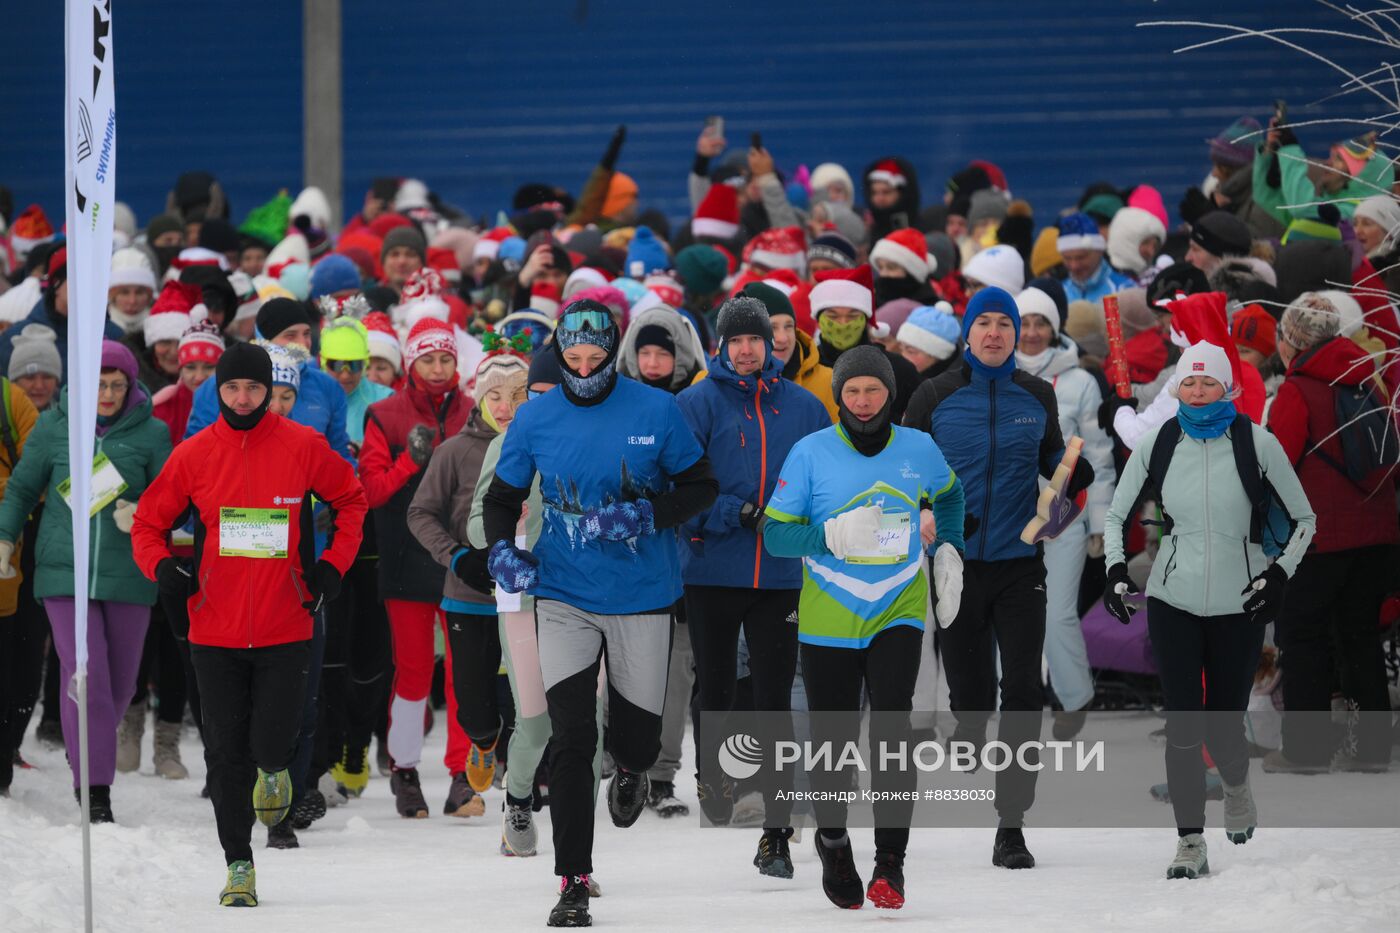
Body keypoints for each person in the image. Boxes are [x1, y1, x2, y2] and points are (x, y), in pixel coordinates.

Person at [477, 299, 718, 927]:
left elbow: (701, 486)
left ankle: (636, 769)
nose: (584, 370)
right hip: (562, 593)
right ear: (560, 354)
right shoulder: (536, 418)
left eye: (596, 358)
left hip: (642, 592)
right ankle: (573, 880)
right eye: (573, 359)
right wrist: (502, 550)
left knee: (635, 738)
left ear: (614, 353)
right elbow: (503, 497)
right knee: (574, 737)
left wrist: (645, 514)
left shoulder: (656, 409)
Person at [132, 341, 366, 906]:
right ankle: (239, 863)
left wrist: (333, 567)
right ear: (218, 390)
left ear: (270, 391)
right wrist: (163, 569)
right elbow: (146, 523)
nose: (243, 398)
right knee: (223, 753)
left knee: (272, 745)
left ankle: (274, 769)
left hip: (288, 626)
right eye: (232, 387)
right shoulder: (193, 454)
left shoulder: (302, 445)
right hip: (214, 628)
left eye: (254, 388)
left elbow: (352, 500)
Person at [763, 345, 965, 910]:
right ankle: (833, 839)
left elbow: (950, 494)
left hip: (897, 609)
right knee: (833, 744)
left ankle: (891, 865)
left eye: (873, 389)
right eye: (852, 391)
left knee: (892, 735)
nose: (863, 400)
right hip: (828, 617)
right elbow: (776, 534)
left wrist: (951, 547)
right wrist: (828, 538)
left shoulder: (919, 449)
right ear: (839, 397)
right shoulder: (810, 453)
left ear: (889, 394)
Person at [1103, 341, 1315, 879]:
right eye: (1189, 383)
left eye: (1208, 383)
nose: (1197, 393)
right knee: (1183, 723)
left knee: (1223, 726)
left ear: (1229, 388)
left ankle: (1238, 786)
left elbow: (1305, 520)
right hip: (1172, 601)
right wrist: (1113, 569)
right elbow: (1116, 515)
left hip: (1239, 603)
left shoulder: (1256, 442)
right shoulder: (1159, 442)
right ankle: (1190, 841)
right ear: (1177, 388)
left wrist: (1279, 575)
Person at [902, 286, 1094, 870]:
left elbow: (1054, 464)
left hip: (1018, 565)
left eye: (1003, 325)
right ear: (967, 332)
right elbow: (906, 472)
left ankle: (1011, 824)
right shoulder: (934, 394)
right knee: (972, 687)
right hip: (953, 564)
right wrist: (926, 513)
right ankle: (968, 720)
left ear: (1016, 335)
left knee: (1025, 690)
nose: (993, 333)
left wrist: (1072, 474)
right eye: (982, 323)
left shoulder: (1037, 395)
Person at [674, 294, 831, 872]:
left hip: (782, 575)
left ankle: (777, 827)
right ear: (721, 345)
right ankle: (713, 778)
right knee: (716, 687)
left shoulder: (805, 408)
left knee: (773, 695)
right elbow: (682, 488)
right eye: (736, 340)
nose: (746, 350)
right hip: (713, 569)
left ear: (772, 344)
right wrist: (735, 514)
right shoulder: (697, 403)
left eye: (755, 340)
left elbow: (823, 482)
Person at [0, 340, 171, 821]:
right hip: (62, 570)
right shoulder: (56, 427)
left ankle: (86, 745)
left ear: (132, 384)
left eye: (118, 385)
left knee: (119, 687)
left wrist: (143, 513)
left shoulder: (153, 434)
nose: (109, 394)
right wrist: (4, 537)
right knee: (85, 671)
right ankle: (95, 790)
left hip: (129, 575)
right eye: (99, 384)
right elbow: (21, 487)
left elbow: (173, 496)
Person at [465, 349, 608, 861]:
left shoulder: (596, 442)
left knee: (586, 724)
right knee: (536, 720)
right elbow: (477, 527)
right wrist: (515, 527)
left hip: (585, 598)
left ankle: (579, 854)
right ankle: (518, 799)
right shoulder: (507, 445)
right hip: (522, 600)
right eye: (536, 397)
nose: (540, 406)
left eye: (543, 394)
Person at [1264, 302, 1398, 773]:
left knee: (1303, 638)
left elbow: (1276, 464)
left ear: (1294, 342)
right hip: (1376, 533)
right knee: (1360, 636)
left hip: (1320, 539)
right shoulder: (1369, 379)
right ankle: (1372, 751)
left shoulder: (1297, 390)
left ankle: (1305, 752)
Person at [359, 316, 476, 819]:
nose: (436, 367)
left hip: (462, 560)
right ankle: (404, 770)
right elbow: (370, 492)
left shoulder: (475, 410)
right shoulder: (385, 414)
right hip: (406, 558)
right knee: (411, 672)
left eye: (445, 358)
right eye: (427, 358)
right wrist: (409, 460)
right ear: (411, 362)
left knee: (462, 673)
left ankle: (461, 775)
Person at [406, 350, 530, 803]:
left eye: (516, 396)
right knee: (475, 704)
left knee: (524, 701)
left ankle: (524, 787)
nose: (504, 407)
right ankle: (481, 742)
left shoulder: (544, 445)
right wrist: (456, 557)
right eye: (493, 396)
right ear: (478, 401)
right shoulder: (454, 452)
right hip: (468, 595)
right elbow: (420, 513)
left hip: (528, 597)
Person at [1013, 285, 1116, 738]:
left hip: (1064, 515)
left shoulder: (1079, 382)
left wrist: (1100, 521)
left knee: (1056, 612)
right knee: (1010, 611)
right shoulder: (995, 375)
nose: (1032, 333)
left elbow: (1098, 453)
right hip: (1008, 514)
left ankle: (1073, 696)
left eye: (1042, 323)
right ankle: (1015, 697)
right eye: (1025, 323)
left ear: (1055, 329)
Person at [0, 367, 41, 796]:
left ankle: (5, 756)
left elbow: (32, 478)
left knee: (15, 658)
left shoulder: (12, 401)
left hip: (16, 548)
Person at [809, 267, 920, 419]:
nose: (843, 324)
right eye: (832, 316)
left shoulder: (899, 370)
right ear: (818, 320)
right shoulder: (806, 368)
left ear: (865, 319)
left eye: (853, 316)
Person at [744, 282, 837, 421]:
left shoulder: (827, 382)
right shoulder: (711, 385)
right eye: (772, 327)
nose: (783, 338)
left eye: (788, 326)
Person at [1056, 212, 1133, 303]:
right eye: (1067, 258)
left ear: (1099, 251)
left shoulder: (1123, 290)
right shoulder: (1059, 294)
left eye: (1081, 257)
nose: (1074, 266)